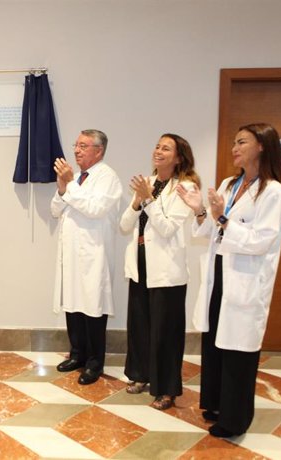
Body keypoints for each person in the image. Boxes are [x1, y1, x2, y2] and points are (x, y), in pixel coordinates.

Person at [176, 122, 281, 438]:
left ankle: (235, 419)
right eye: (234, 142)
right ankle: (214, 404)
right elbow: (213, 231)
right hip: (220, 276)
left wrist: (222, 218)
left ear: (262, 146)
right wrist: (201, 211)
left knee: (238, 351)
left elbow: (260, 241)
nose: (234, 148)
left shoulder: (273, 192)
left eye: (242, 142)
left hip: (245, 280)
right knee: (215, 344)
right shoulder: (229, 183)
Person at [120, 134, 200, 409]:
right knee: (140, 324)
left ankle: (166, 389)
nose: (158, 151)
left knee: (166, 332)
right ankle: (141, 375)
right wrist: (136, 202)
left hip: (167, 270)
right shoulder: (148, 183)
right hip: (141, 264)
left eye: (166, 148)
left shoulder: (184, 187)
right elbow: (124, 225)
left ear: (179, 157)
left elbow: (166, 229)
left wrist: (148, 200)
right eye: (157, 146)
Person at [51, 129, 122, 385]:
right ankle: (77, 355)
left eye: (83, 146)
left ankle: (94, 363)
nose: (77, 150)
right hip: (71, 254)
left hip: (94, 255)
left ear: (98, 150)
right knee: (73, 305)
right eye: (76, 145)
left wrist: (69, 185)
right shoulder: (77, 177)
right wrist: (62, 189)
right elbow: (55, 209)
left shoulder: (107, 177)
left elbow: (94, 209)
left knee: (93, 309)